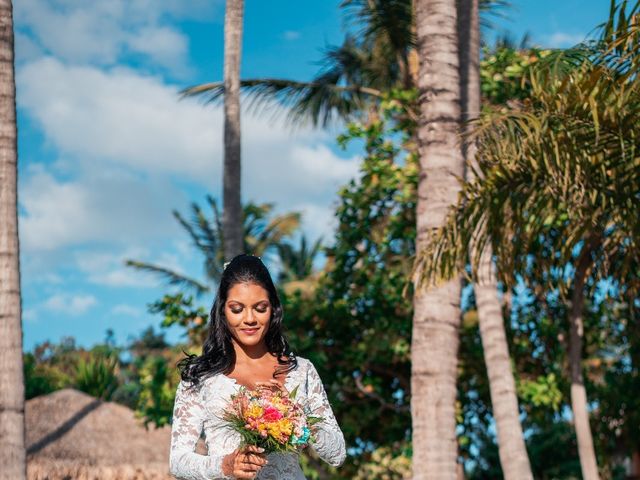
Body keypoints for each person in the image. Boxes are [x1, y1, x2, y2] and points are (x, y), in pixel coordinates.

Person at [169, 254, 346, 480]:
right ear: (223, 310)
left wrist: (299, 416)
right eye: (237, 309)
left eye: (260, 308)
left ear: (273, 309)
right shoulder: (200, 376)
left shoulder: (302, 371)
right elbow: (178, 461)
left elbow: (337, 454)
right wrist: (225, 466)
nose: (249, 318)